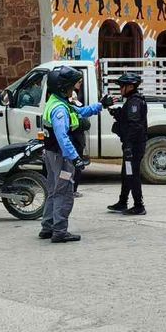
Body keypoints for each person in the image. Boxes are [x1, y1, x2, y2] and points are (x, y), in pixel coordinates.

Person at [40, 66, 115, 243]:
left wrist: (100, 105)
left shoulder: (58, 101)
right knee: (64, 192)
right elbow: (62, 137)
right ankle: (59, 231)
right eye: (73, 85)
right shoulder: (59, 109)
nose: (75, 88)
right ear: (63, 87)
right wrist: (75, 158)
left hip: (52, 154)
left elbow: (80, 111)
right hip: (62, 157)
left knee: (53, 190)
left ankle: (47, 226)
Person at [107, 73, 148, 215]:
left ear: (130, 86)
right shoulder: (131, 100)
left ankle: (139, 206)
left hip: (134, 147)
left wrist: (129, 146)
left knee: (132, 174)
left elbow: (135, 125)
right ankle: (122, 202)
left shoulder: (135, 102)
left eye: (122, 86)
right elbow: (126, 118)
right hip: (130, 145)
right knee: (126, 174)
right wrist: (112, 111)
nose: (120, 89)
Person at [69, 87, 89, 198]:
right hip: (75, 143)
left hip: (77, 142)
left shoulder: (73, 110)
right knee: (73, 168)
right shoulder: (68, 111)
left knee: (74, 168)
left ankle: (72, 189)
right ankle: (71, 190)